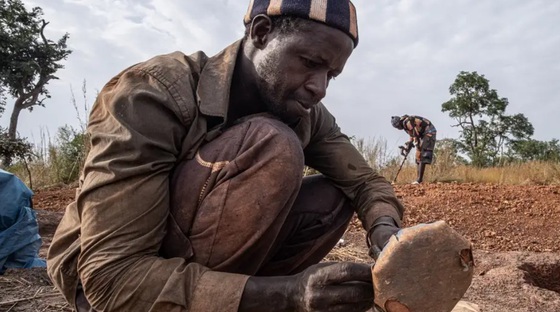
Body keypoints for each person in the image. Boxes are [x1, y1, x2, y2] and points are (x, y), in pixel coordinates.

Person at [46, 1, 406, 311]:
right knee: (272, 144)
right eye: (310, 62)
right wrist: (288, 296)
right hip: (109, 287)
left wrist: (387, 233)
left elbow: (363, 180)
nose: (319, 87)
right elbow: (111, 276)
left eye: (332, 75)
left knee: (334, 195)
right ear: (261, 32)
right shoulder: (151, 92)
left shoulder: (304, 110)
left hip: (196, 268)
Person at [391, 115, 437, 184]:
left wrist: (416, 145)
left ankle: (419, 180)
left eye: (398, 126)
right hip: (423, 134)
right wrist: (408, 146)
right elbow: (412, 135)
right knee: (418, 156)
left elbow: (415, 135)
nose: (398, 128)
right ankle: (418, 180)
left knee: (421, 154)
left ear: (399, 122)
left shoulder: (407, 122)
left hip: (429, 131)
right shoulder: (405, 125)